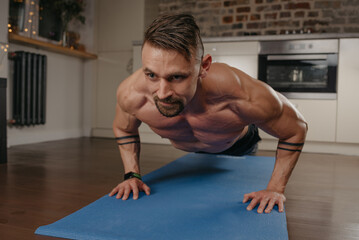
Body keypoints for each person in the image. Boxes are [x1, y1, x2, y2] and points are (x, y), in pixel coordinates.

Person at [109, 13, 308, 214]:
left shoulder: (240, 94)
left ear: (203, 67)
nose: (162, 93)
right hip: (193, 150)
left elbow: (295, 129)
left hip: (237, 145)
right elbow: (123, 128)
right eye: (151, 75)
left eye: (177, 77)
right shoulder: (131, 95)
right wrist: (132, 175)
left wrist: (275, 189)